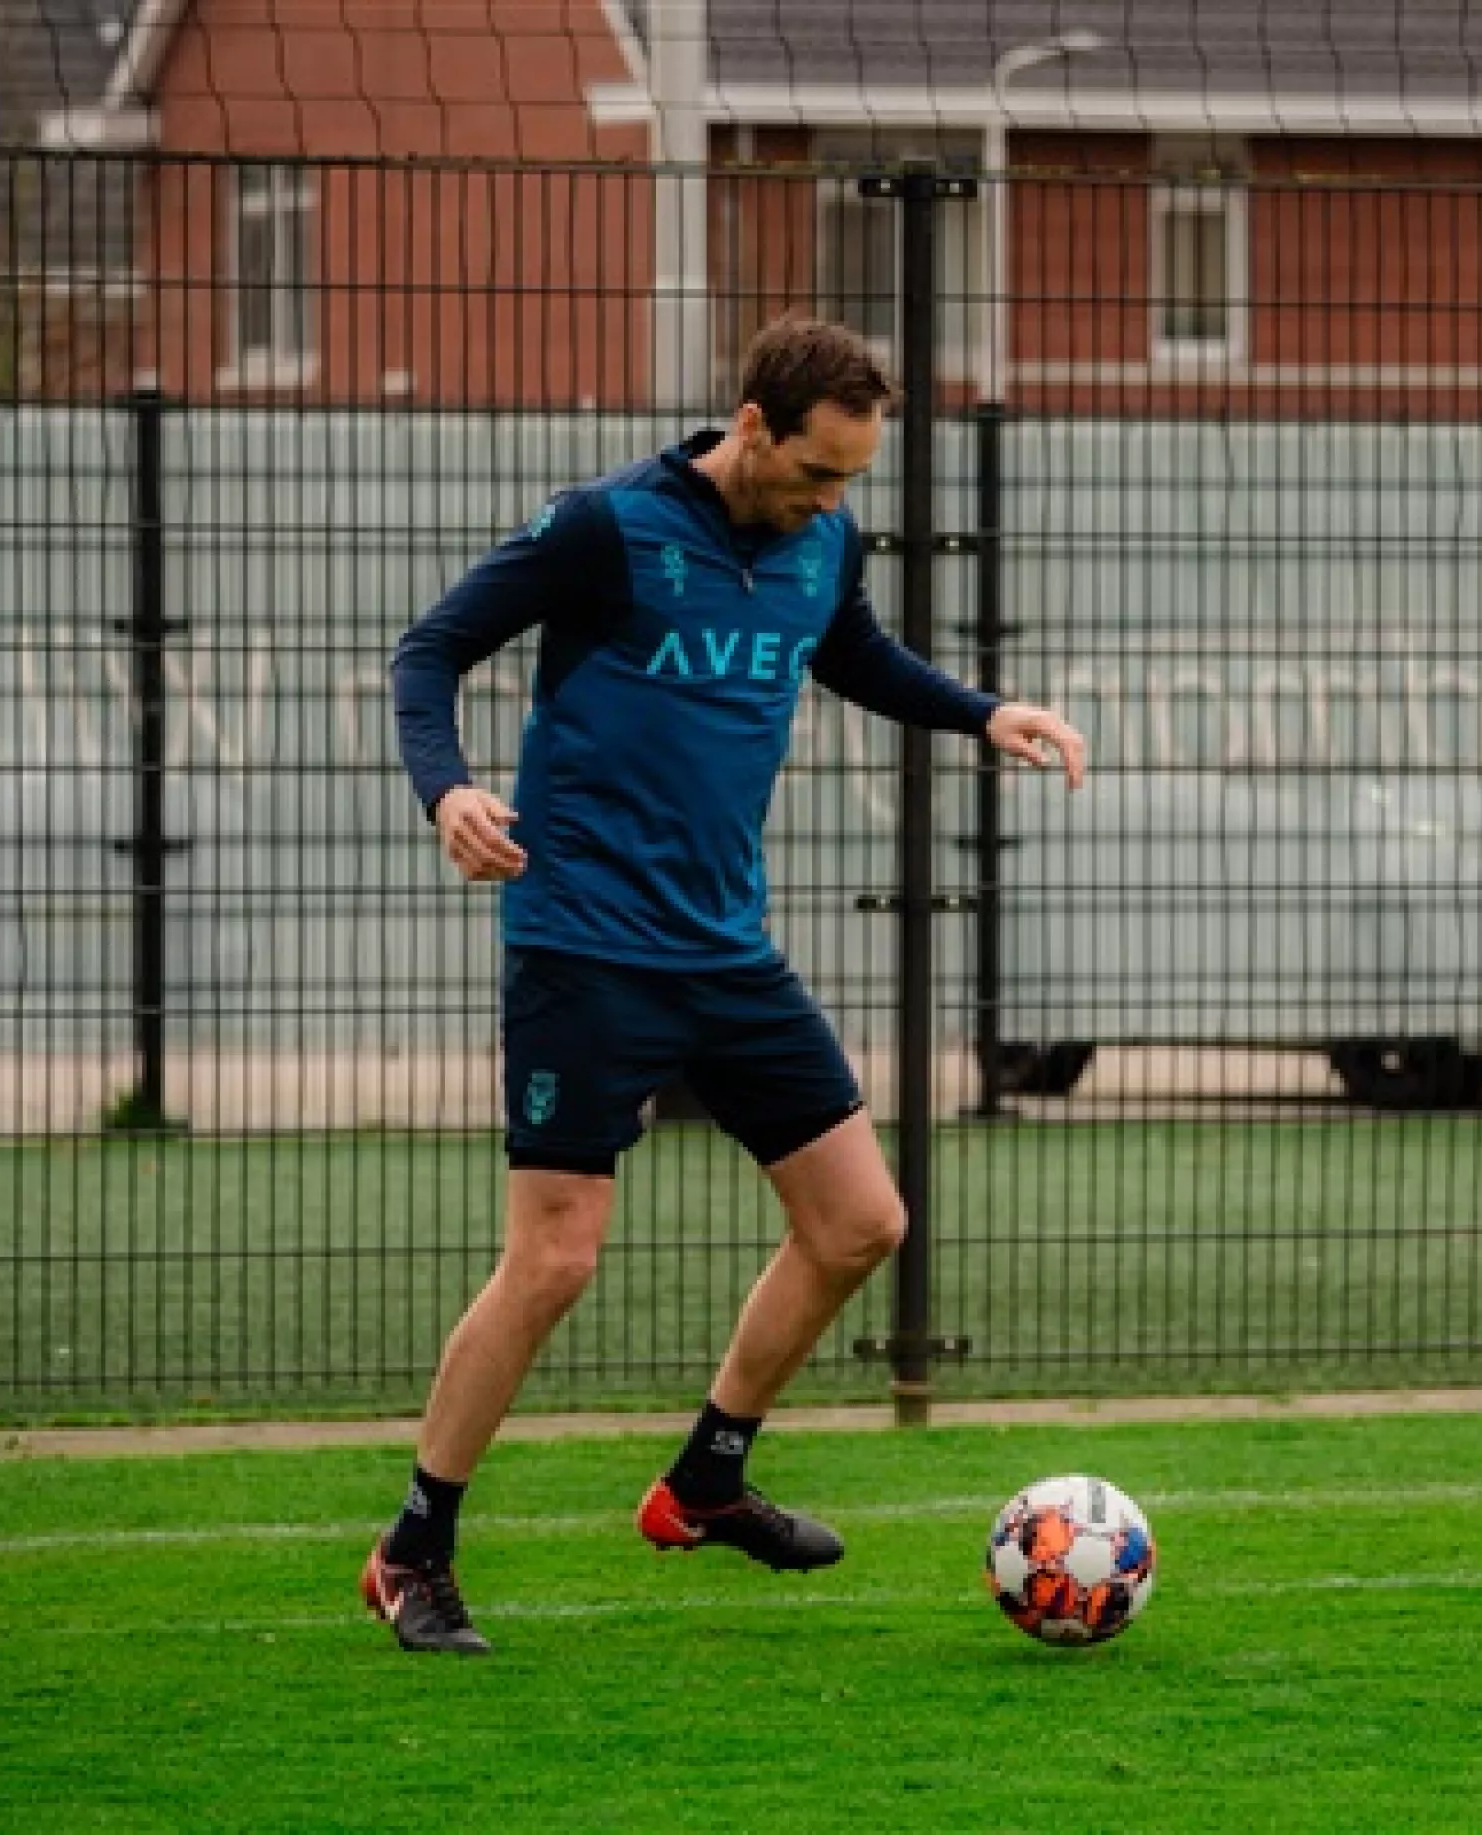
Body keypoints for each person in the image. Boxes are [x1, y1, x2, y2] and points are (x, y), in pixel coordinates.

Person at [364, 316, 1088, 1654]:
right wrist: (448, 787)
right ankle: (416, 1544)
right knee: (557, 1254)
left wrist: (985, 711)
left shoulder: (823, 539)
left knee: (862, 1220)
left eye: (853, 481)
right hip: (583, 940)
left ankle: (705, 1477)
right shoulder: (605, 529)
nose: (834, 501)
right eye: (819, 471)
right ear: (751, 425)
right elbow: (427, 651)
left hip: (725, 946)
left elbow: (852, 654)